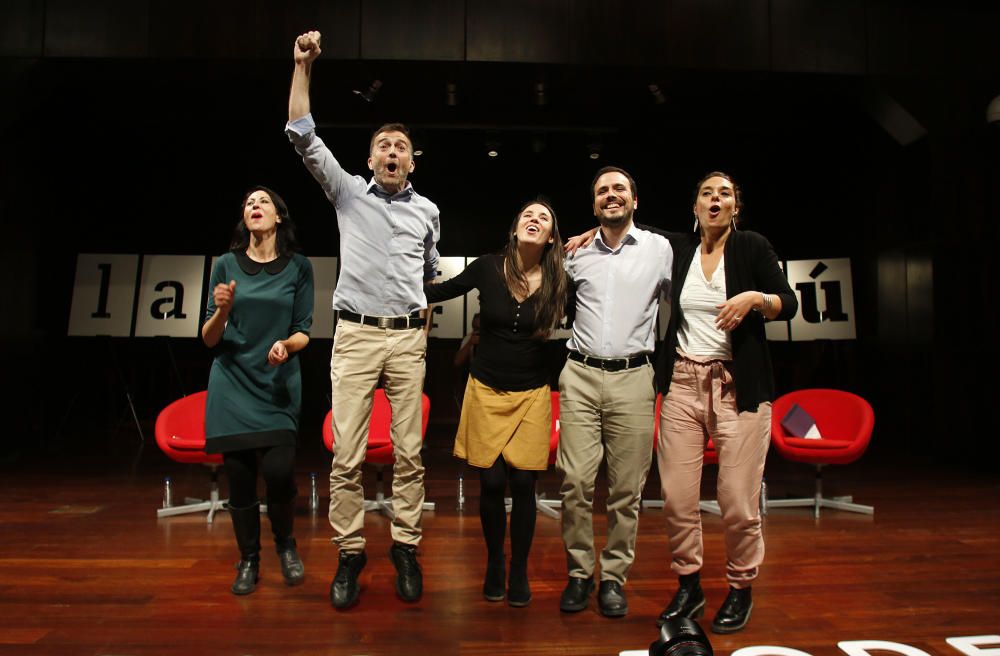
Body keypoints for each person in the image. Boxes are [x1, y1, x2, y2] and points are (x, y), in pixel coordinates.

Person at [285, 30, 440, 609]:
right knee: (346, 454)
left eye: (401, 145)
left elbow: (425, 271)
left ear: (411, 158)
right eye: (384, 145)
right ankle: (350, 552)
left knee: (410, 454)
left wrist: (418, 315)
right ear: (370, 158)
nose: (393, 152)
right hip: (353, 336)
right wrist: (302, 66)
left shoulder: (428, 211)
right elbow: (302, 135)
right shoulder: (348, 194)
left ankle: (405, 546)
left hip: (406, 342)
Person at [652, 171, 797, 633]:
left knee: (736, 500)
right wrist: (591, 232)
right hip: (682, 381)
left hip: (738, 387)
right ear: (695, 206)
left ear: (736, 206)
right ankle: (689, 584)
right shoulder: (680, 250)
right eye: (706, 193)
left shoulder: (752, 245)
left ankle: (740, 587)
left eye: (725, 194)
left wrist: (756, 298)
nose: (715, 200)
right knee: (676, 497)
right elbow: (633, 230)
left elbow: (788, 304)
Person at [425, 200, 567, 607]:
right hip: (486, 389)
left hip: (532, 393)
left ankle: (519, 567)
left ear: (552, 236)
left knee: (523, 483)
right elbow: (440, 290)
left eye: (544, 217)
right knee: (490, 481)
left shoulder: (560, 279)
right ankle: (494, 563)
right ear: (515, 228)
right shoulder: (488, 266)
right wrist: (392, 273)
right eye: (527, 214)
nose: (534, 219)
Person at [557, 167, 673, 618]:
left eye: (619, 189)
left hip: (634, 377)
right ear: (593, 205)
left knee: (626, 489)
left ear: (634, 200)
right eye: (603, 191)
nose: (611, 196)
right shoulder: (576, 254)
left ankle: (613, 577)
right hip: (580, 375)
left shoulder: (659, 250)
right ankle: (579, 574)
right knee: (575, 483)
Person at [202, 186, 315, 596]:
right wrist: (221, 311)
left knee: (279, 472)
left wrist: (286, 346)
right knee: (240, 478)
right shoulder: (225, 265)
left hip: (276, 383)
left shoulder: (299, 267)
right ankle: (249, 557)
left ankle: (285, 543)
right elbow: (209, 338)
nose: (254, 205)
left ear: (278, 217)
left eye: (263, 201)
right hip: (231, 383)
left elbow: (304, 329)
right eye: (248, 202)